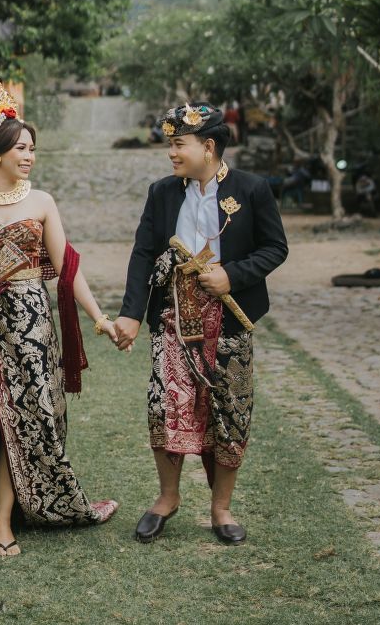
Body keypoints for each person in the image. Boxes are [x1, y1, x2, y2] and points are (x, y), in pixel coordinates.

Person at [0, 78, 120, 557]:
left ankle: (2, 517)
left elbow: (67, 268)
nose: (30, 156)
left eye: (33, 148)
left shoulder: (42, 203)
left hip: (32, 326)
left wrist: (100, 318)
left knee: (22, 418)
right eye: (21, 148)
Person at [113, 102, 288, 546]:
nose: (171, 153)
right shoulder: (162, 193)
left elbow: (275, 247)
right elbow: (143, 254)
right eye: (170, 145)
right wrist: (131, 313)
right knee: (164, 405)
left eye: (179, 144)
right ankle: (167, 497)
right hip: (172, 315)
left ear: (208, 147)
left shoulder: (251, 189)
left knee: (230, 410)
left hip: (229, 318)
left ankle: (221, 508)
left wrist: (234, 274)